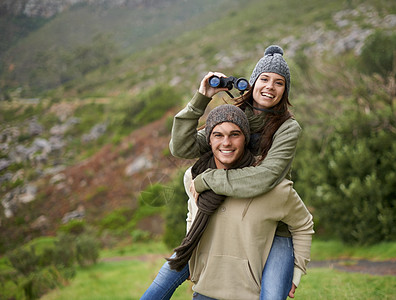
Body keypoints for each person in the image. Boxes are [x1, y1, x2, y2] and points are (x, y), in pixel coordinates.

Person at [140, 45, 309, 299]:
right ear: (252, 83)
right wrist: (201, 98)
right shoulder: (233, 117)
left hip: (271, 223)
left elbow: (265, 178)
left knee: (272, 295)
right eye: (264, 79)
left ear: (285, 91)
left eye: (279, 83)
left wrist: (206, 180)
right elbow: (182, 147)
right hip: (218, 211)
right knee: (158, 289)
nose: (270, 87)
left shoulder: (287, 127)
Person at [184, 104, 313, 299]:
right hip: (205, 290)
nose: (226, 142)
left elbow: (303, 224)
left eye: (235, 134)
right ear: (209, 141)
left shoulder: (276, 190)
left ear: (246, 139)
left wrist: (295, 274)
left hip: (249, 293)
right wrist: (194, 261)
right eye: (218, 135)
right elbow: (191, 216)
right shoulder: (194, 180)